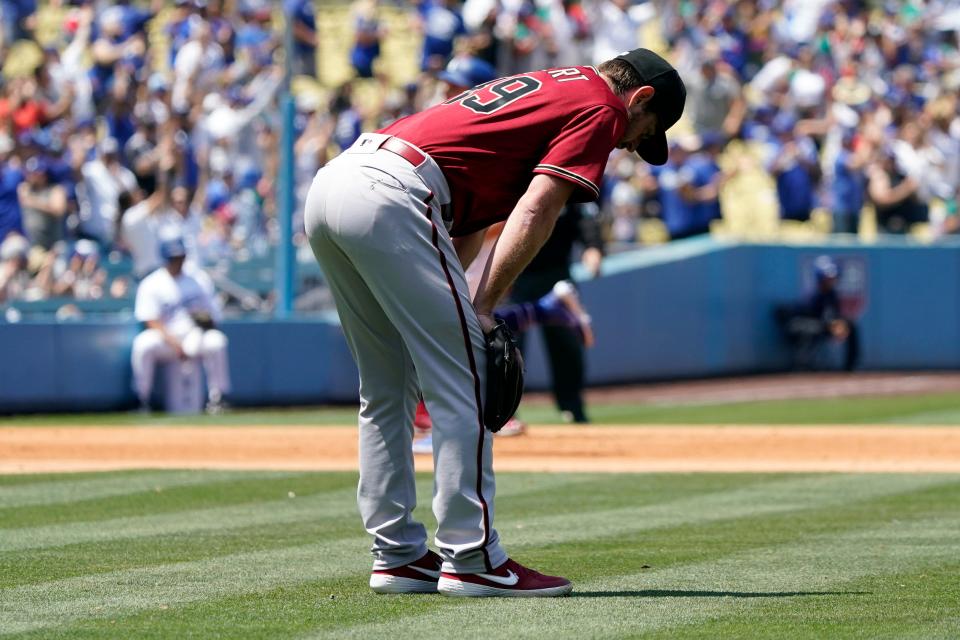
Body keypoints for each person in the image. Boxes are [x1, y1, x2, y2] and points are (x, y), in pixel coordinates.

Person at [303, 48, 685, 597]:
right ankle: (473, 558)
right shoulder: (604, 104)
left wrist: (451, 305)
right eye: (644, 130)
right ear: (641, 97)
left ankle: (398, 556)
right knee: (470, 374)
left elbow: (468, 217)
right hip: (396, 196)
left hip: (340, 182)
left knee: (387, 386)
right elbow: (539, 208)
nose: (631, 144)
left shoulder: (555, 83)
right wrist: (480, 308)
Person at [131, 237, 230, 414]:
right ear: (164, 259)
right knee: (143, 344)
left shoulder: (198, 280)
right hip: (166, 337)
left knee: (216, 341)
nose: (178, 261)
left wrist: (204, 319)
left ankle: (218, 398)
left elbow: (214, 317)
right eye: (174, 258)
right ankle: (142, 399)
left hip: (194, 335)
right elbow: (150, 320)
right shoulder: (152, 283)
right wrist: (174, 343)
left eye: (181, 257)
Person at [775, 255, 860, 372]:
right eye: (827, 278)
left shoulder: (832, 294)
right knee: (809, 329)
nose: (831, 281)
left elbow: (835, 314)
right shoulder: (813, 294)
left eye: (832, 278)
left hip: (824, 326)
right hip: (806, 325)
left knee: (850, 325)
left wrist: (838, 324)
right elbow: (808, 315)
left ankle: (850, 367)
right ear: (820, 278)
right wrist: (829, 324)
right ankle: (802, 366)